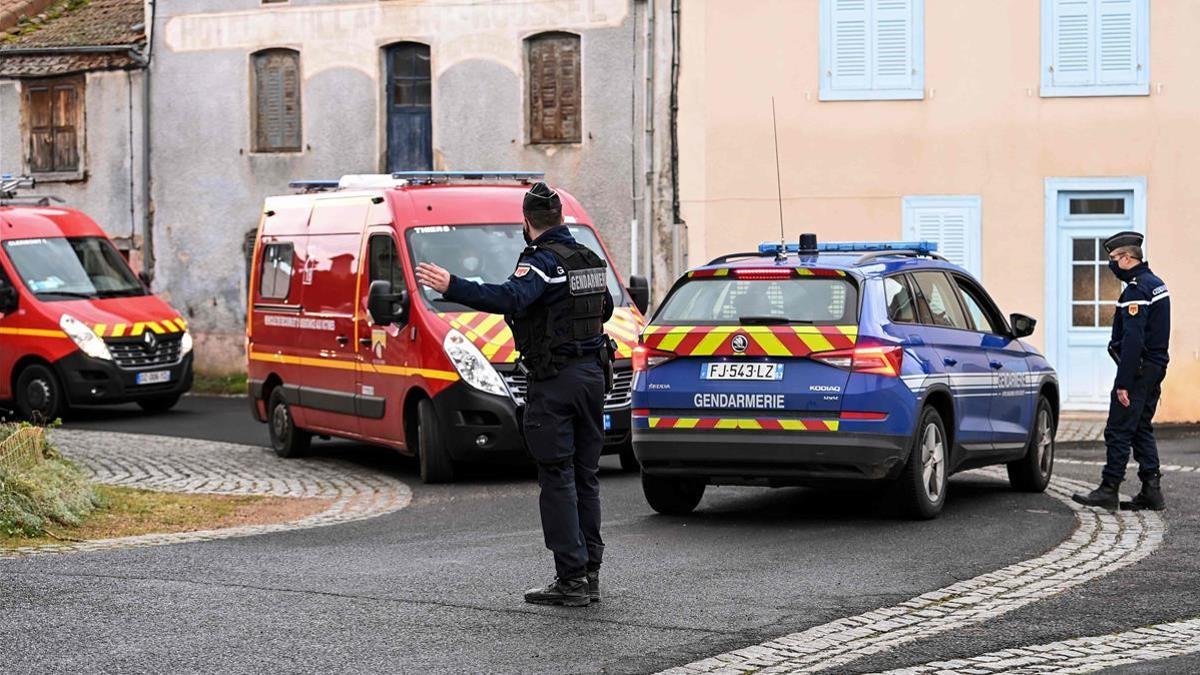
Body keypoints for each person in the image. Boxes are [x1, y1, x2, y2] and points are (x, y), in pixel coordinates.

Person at [415, 181, 613, 606]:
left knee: (557, 476)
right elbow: (607, 308)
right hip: (593, 377)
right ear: (561, 217)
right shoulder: (588, 259)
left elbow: (509, 297)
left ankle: (571, 579)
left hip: (556, 381)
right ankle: (590, 573)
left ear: (527, 223)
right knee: (585, 475)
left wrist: (453, 285)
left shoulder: (540, 263)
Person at [1072, 231, 1170, 511]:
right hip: (1155, 366)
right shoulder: (1156, 284)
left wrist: (1123, 383)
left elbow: (1133, 340)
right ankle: (1152, 490)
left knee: (1118, 429)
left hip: (1138, 370)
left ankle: (1109, 488)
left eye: (1114, 258)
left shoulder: (1137, 290)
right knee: (1140, 426)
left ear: (1128, 258)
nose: (1111, 264)